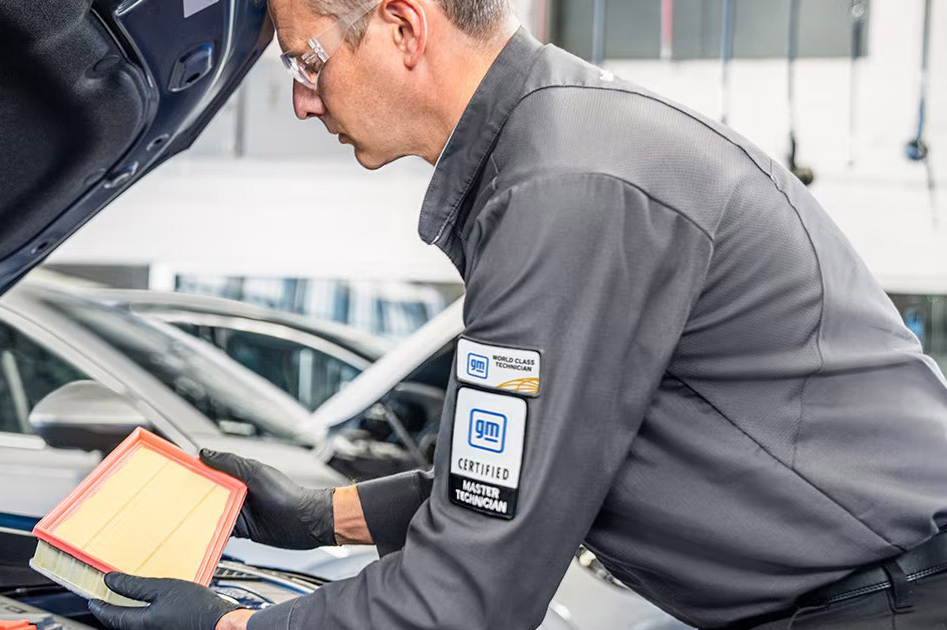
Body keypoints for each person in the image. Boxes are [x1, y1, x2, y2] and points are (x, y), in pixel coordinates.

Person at [85, 0, 947, 626]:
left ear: (402, 26)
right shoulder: (556, 152)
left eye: (306, 63)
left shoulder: (569, 189)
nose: (305, 101)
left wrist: (230, 627)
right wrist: (321, 516)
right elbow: (525, 470)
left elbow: (472, 595)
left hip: (892, 603)